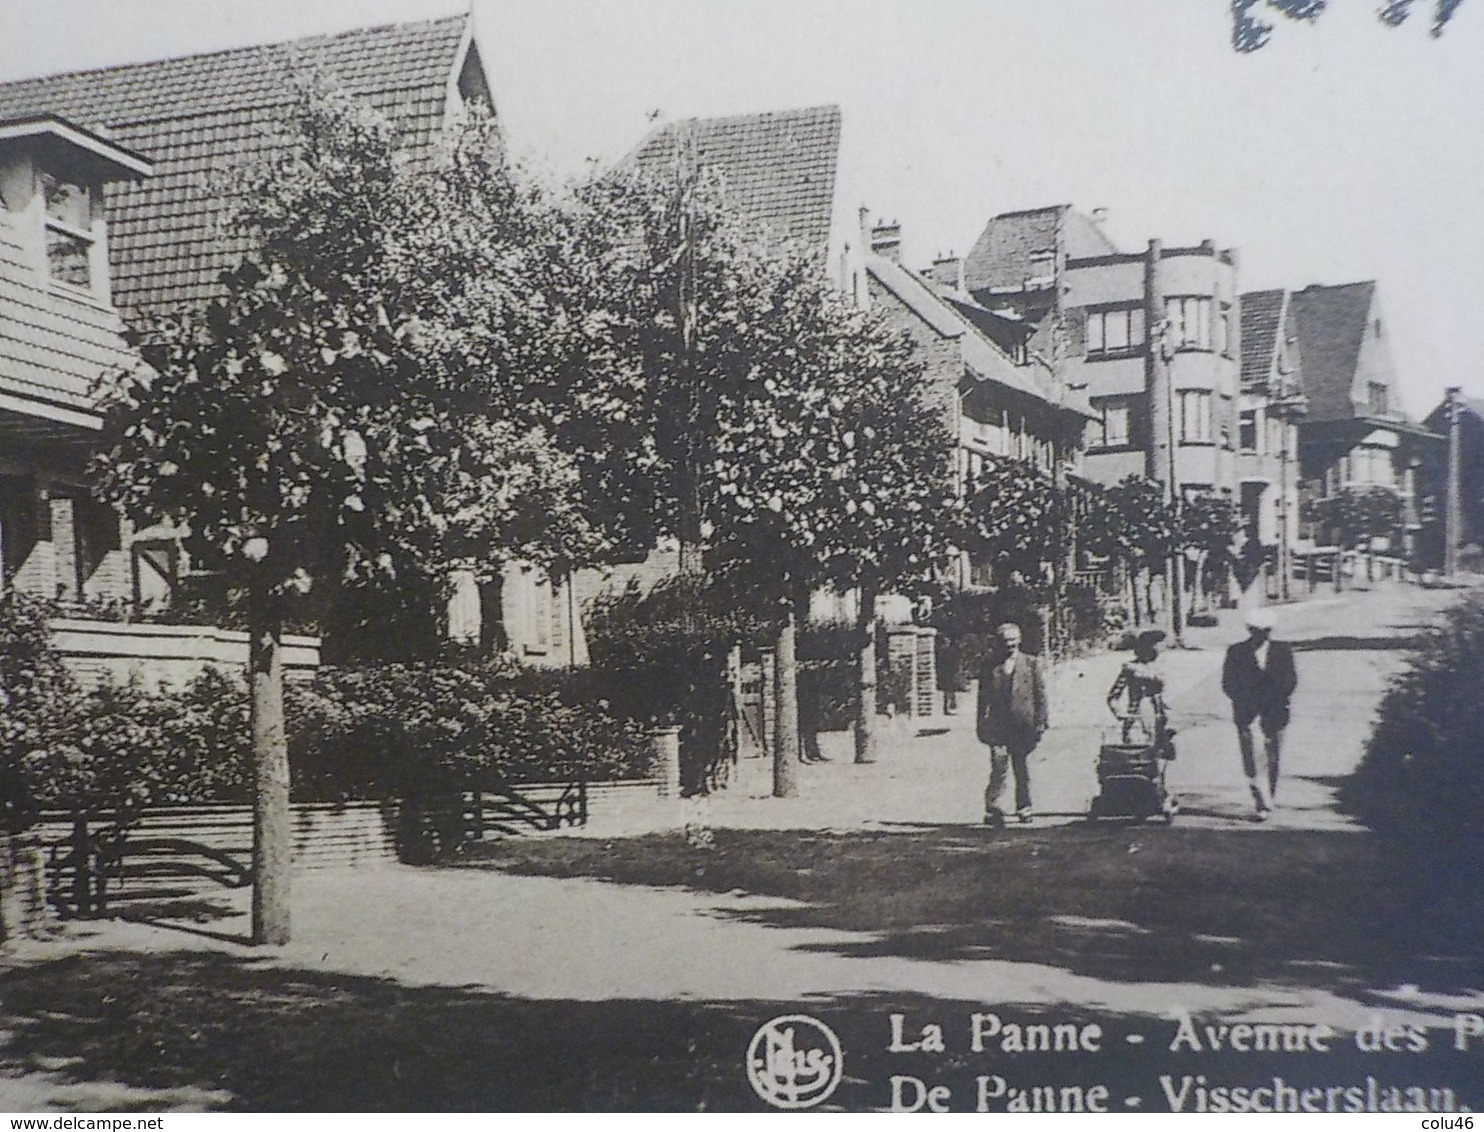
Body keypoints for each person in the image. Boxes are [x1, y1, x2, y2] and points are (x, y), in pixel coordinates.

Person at [1221, 605, 1297, 820]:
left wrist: (1272, 700)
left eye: (1265, 631)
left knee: (1273, 757)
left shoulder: (1283, 650)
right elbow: (1229, 683)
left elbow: (1290, 681)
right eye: (1256, 630)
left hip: (1275, 712)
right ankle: (1260, 800)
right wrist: (1248, 701)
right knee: (1252, 759)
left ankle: (1269, 794)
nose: (1261, 635)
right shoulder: (1236, 651)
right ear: (1249, 630)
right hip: (1247, 713)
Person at [975, 621, 1048, 826]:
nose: (1009, 645)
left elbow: (1040, 695)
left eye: (1013, 640)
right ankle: (994, 808)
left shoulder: (1032, 663)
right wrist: (981, 724)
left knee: (1021, 768)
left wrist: (1041, 721)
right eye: (1005, 641)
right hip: (998, 726)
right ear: (998, 642)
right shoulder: (990, 665)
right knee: (998, 767)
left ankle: (1024, 807)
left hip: (1023, 724)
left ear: (1020, 640)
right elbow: (982, 698)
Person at [1106, 628, 1174, 755]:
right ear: (1148, 646)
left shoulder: (1162, 667)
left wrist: (1168, 711)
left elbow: (1167, 694)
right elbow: (1113, 696)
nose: (1161, 649)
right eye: (1158, 644)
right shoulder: (1130, 668)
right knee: (1136, 755)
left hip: (1159, 720)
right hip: (1136, 718)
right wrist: (1119, 712)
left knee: (1160, 761)